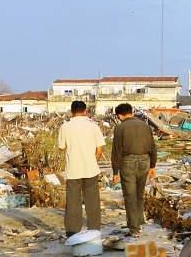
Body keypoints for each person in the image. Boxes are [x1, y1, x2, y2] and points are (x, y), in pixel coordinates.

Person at [57, 100, 105, 237]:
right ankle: (94, 230)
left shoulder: (66, 126)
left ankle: (72, 232)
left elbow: (61, 148)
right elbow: (99, 150)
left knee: (73, 202)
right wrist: (93, 161)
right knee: (92, 202)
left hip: (74, 170)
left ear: (71, 112)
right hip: (91, 169)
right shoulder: (94, 126)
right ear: (85, 111)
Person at [111, 103, 157, 237]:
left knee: (130, 196)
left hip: (128, 162)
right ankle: (139, 221)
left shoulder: (120, 128)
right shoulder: (145, 126)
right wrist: (152, 166)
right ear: (131, 112)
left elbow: (116, 152)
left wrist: (115, 172)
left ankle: (134, 228)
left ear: (119, 115)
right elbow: (153, 147)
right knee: (139, 193)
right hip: (145, 161)